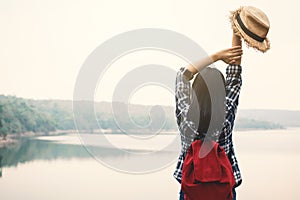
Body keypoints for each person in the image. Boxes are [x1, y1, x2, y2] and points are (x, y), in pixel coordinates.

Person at [174, 32, 243, 200]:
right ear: (222, 92)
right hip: (223, 190)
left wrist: (216, 56)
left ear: (195, 93)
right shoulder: (226, 116)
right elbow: (234, 75)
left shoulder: (186, 119)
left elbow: (182, 76)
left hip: (191, 192)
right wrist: (237, 31)